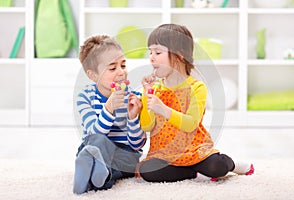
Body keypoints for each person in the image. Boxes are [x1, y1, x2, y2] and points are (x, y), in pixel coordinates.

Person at [138, 23, 254, 182]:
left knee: (216, 168)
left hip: (195, 151)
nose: (151, 57)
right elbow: (146, 126)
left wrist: (163, 109)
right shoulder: (155, 89)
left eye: (158, 52)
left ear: (179, 56)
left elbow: (191, 124)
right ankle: (194, 173)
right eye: (150, 52)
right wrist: (146, 93)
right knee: (147, 170)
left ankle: (231, 163)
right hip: (165, 154)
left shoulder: (196, 88)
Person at [73, 35, 146, 194]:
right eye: (112, 68)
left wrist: (133, 118)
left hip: (123, 154)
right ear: (93, 75)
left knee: (129, 160)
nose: (121, 72)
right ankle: (99, 174)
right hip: (95, 147)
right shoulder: (85, 97)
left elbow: (137, 145)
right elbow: (94, 133)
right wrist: (109, 108)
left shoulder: (133, 98)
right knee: (94, 142)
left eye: (123, 65)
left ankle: (97, 177)